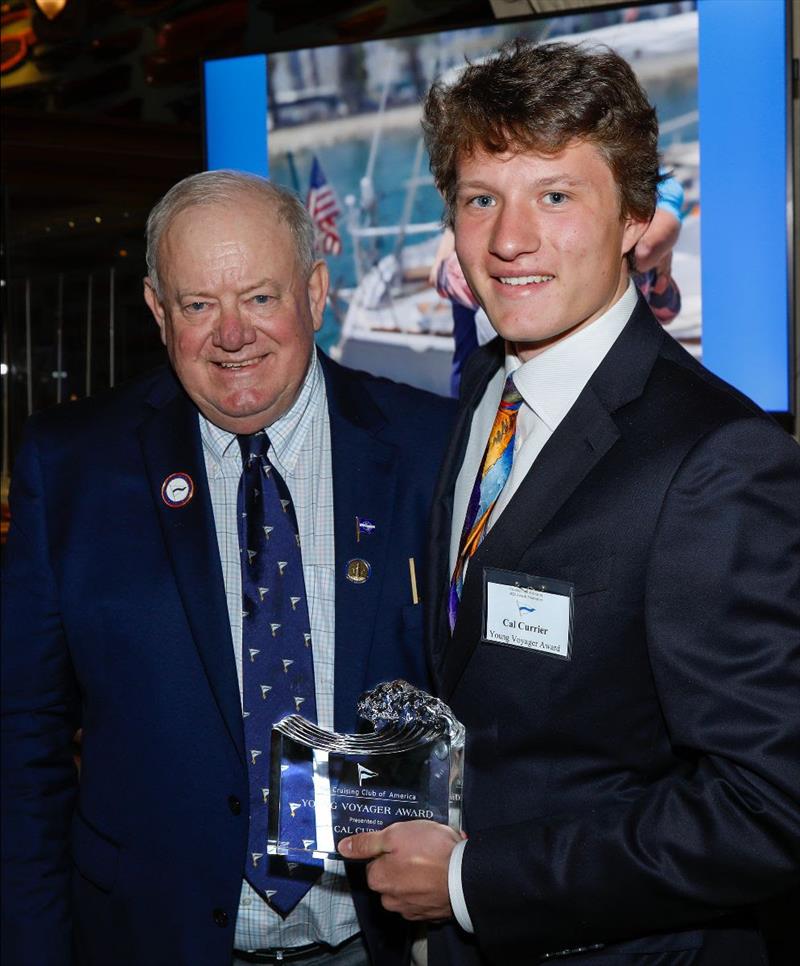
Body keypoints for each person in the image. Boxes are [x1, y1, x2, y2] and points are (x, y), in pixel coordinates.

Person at [339, 40, 800, 965]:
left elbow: (768, 808)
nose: (509, 241)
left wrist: (474, 882)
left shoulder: (718, 459)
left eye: (555, 195)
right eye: (481, 199)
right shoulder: (485, 390)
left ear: (636, 215)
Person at [0, 170, 455, 966]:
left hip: (381, 944)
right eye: (197, 304)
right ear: (155, 309)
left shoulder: (430, 451)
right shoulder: (71, 467)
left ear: (316, 293)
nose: (231, 334)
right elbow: (25, 740)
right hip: (150, 939)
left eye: (260, 297)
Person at [431, 174, 684, 396]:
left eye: (556, 198)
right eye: (481, 200)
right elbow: (665, 301)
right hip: (487, 396)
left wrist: (455, 244)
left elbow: (448, 279)